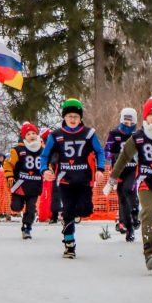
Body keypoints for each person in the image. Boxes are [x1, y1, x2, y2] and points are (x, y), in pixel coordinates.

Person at [106, 97, 152, 269]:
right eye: (151, 114)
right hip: (146, 179)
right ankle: (150, 251)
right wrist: (113, 177)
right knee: (147, 211)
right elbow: (124, 156)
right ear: (145, 117)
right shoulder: (138, 137)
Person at [40, 98, 106, 259]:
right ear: (64, 117)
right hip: (65, 180)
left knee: (86, 210)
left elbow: (100, 151)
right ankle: (69, 244)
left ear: (80, 118)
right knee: (68, 211)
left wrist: (100, 169)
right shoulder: (56, 135)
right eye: (69, 116)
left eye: (76, 116)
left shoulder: (89, 134)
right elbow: (45, 155)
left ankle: (71, 216)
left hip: (84, 180)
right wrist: (44, 170)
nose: (72, 119)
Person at [3, 122, 44, 239]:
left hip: (35, 184)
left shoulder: (43, 150)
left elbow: (48, 163)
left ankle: (27, 228)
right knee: (16, 207)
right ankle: (17, 207)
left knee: (31, 208)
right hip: (19, 184)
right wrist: (9, 176)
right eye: (28, 134)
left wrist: (49, 170)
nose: (32, 136)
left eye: (34, 133)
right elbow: (8, 164)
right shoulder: (17, 150)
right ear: (24, 137)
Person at [104, 107, 140, 240]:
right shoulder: (114, 134)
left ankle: (135, 212)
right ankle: (128, 227)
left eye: (131, 123)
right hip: (119, 170)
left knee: (129, 189)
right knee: (122, 197)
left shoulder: (137, 134)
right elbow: (106, 150)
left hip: (133, 168)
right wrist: (114, 157)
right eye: (126, 123)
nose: (128, 126)